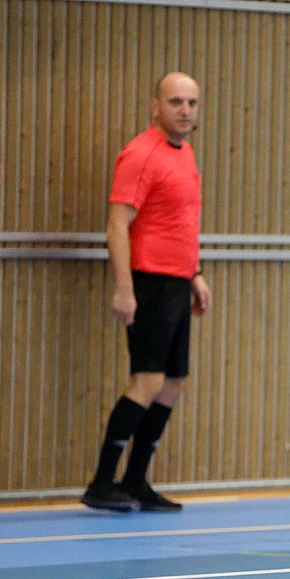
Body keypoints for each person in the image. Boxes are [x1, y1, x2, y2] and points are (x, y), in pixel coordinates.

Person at [81, 72, 212, 513]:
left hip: (176, 280)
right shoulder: (140, 154)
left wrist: (193, 274)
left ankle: (135, 481)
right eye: (176, 101)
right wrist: (125, 287)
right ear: (156, 105)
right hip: (148, 280)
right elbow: (118, 223)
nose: (185, 110)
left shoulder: (184, 152)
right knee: (148, 379)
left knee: (172, 383)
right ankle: (102, 482)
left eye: (192, 103)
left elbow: (176, 223)